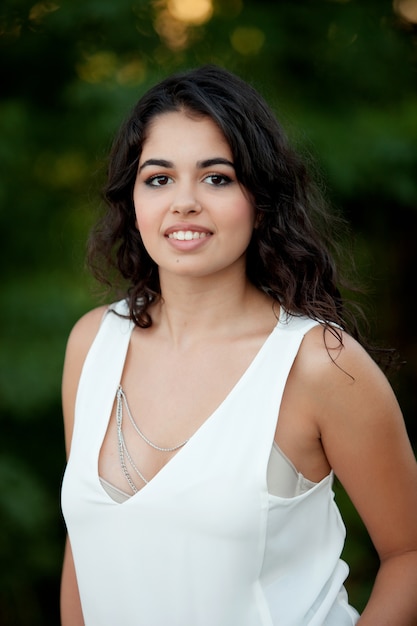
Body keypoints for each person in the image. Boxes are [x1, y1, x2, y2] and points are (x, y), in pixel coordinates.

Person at [60, 64, 417, 626]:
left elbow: (409, 554)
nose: (184, 202)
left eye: (216, 177)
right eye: (159, 178)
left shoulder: (319, 363)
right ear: (133, 200)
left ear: (261, 198)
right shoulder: (91, 343)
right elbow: (86, 547)